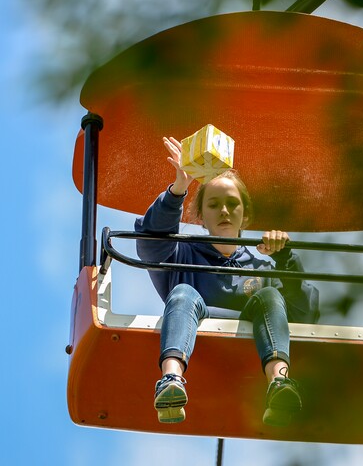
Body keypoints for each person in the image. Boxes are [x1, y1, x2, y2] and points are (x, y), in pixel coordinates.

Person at [134, 136, 319, 427]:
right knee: (183, 292)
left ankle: (279, 382)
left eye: (232, 204)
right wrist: (178, 189)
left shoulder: (262, 264)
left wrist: (286, 258)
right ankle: (171, 379)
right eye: (214, 204)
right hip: (194, 320)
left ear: (244, 216)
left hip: (255, 327)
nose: (223, 211)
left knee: (270, 295)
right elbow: (148, 246)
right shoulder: (183, 252)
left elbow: (306, 310)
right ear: (201, 216)